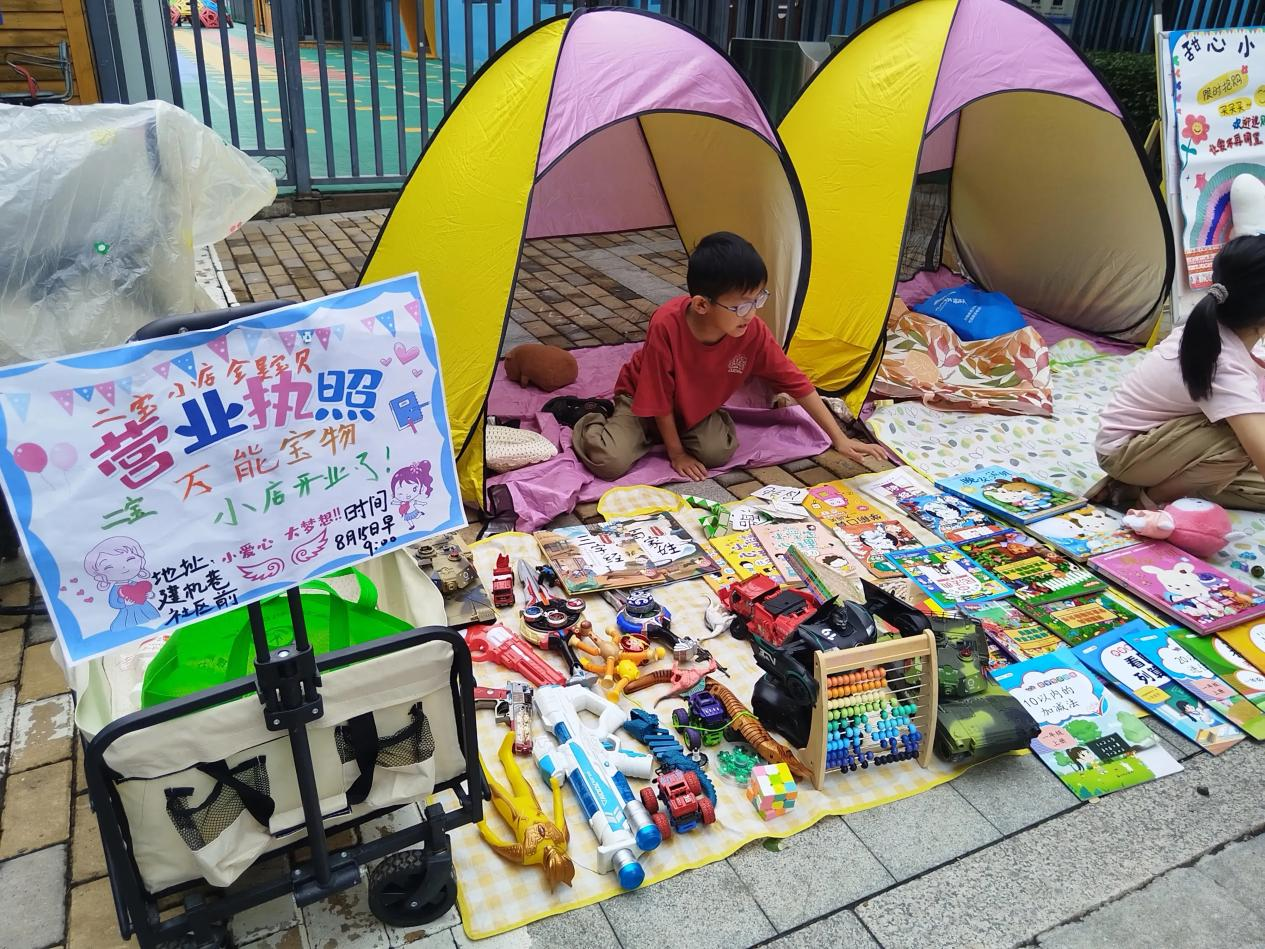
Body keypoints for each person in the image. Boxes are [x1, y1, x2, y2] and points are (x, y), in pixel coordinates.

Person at [571, 232, 886, 481]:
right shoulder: (666, 323)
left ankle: (675, 430)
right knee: (609, 460)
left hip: (694, 407)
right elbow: (659, 396)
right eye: (741, 305)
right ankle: (593, 416)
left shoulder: (753, 331)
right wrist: (677, 453)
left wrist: (839, 439)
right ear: (701, 305)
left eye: (758, 299)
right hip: (642, 399)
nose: (751, 314)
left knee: (717, 451)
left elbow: (797, 383)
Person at [1095, 235, 1265, 511]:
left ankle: (1145, 485)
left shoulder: (1210, 327)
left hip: (1164, 441)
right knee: (1242, 443)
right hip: (1127, 452)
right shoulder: (1222, 362)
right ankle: (1149, 497)